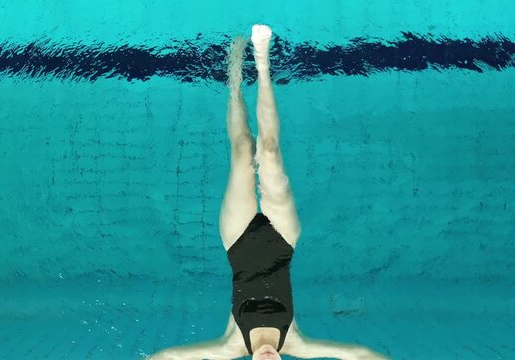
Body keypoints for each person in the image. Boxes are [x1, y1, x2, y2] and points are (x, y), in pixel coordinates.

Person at [149, 25, 390, 360]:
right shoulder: (297, 344)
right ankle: (262, 64)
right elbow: (362, 354)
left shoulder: (231, 346)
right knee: (271, 152)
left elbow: (166, 357)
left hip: (238, 241)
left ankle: (234, 80)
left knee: (243, 152)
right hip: (282, 240)